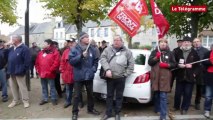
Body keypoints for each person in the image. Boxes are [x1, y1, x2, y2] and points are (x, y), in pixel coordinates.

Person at [100, 35, 134, 120]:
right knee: (109, 96)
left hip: (121, 78)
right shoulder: (107, 50)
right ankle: (108, 113)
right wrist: (107, 69)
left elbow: (131, 65)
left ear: (122, 41)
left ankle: (117, 113)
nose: (116, 41)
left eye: (118, 40)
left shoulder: (127, 52)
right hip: (110, 78)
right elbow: (103, 59)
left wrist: (125, 74)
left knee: (119, 96)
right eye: (114, 40)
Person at [69, 32, 100, 120]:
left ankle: (90, 109)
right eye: (86, 37)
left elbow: (96, 61)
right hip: (79, 76)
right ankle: (75, 112)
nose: (88, 39)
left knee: (90, 94)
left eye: (88, 37)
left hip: (89, 76)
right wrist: (81, 56)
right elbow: (71, 61)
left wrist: (93, 70)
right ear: (81, 39)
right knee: (77, 95)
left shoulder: (92, 49)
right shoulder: (75, 49)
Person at [148, 38, 176, 120]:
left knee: (163, 96)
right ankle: (157, 109)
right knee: (156, 94)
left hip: (165, 78)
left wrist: (167, 65)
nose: (163, 44)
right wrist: (156, 58)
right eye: (161, 42)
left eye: (165, 42)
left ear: (167, 44)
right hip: (156, 77)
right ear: (159, 43)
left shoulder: (170, 53)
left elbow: (174, 64)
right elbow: (150, 63)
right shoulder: (154, 52)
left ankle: (163, 116)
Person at [173, 36, 200, 115]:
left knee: (188, 93)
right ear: (182, 43)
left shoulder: (194, 52)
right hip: (180, 76)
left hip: (190, 77)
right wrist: (178, 65)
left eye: (188, 42)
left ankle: (184, 108)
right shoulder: (177, 51)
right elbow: (173, 62)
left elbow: (198, 66)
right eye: (185, 42)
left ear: (191, 43)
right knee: (177, 93)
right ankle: (176, 106)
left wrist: (194, 73)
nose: (186, 43)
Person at [7, 35, 31, 108]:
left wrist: (23, 70)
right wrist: (6, 45)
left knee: (22, 87)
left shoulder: (24, 48)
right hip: (11, 71)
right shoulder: (11, 48)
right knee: (13, 87)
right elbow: (4, 54)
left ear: (17, 40)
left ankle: (25, 101)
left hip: (20, 72)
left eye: (12, 39)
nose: (11, 40)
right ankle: (15, 100)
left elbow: (27, 61)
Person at [35, 39, 60, 105]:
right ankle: (45, 98)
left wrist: (50, 70)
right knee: (44, 86)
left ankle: (53, 98)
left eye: (44, 43)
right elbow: (37, 62)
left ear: (48, 44)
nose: (42, 44)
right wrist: (38, 70)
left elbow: (56, 63)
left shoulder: (55, 52)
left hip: (50, 73)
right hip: (42, 73)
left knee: (52, 86)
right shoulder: (41, 52)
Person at [192, 38, 208, 110]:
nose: (196, 43)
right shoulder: (191, 50)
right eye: (194, 42)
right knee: (190, 87)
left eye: (197, 41)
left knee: (199, 88)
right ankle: (187, 101)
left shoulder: (205, 51)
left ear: (200, 42)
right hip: (192, 71)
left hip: (201, 72)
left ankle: (197, 102)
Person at [60, 39, 75, 108]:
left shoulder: (78, 51)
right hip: (67, 73)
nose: (70, 44)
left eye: (72, 42)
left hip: (76, 73)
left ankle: (79, 101)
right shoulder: (65, 51)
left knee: (78, 89)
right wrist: (63, 71)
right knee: (68, 88)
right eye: (69, 43)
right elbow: (62, 62)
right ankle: (68, 101)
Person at [203, 44, 213, 118]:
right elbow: (204, 62)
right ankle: (207, 110)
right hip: (209, 76)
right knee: (208, 96)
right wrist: (211, 62)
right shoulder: (208, 53)